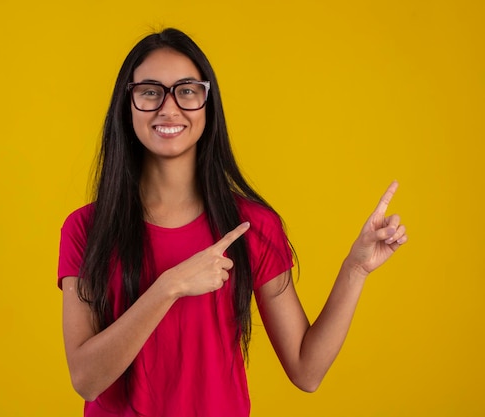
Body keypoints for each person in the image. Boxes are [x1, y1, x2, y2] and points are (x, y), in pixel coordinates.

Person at [57, 28, 407, 417]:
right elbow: (86, 380)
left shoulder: (251, 226)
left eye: (187, 90)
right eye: (150, 91)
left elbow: (307, 371)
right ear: (128, 104)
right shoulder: (86, 228)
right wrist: (169, 286)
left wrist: (355, 268)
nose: (168, 108)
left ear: (208, 103)